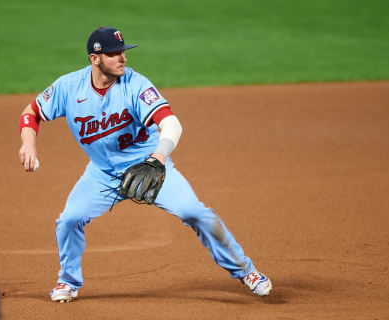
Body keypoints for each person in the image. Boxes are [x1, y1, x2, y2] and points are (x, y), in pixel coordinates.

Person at [18, 26, 272, 303]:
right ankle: (67, 281)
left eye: (123, 52)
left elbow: (171, 123)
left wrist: (158, 159)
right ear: (95, 58)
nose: (122, 58)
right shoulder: (68, 87)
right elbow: (31, 113)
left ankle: (247, 271)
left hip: (150, 167)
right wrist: (28, 143)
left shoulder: (136, 85)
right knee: (69, 220)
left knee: (194, 212)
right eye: (114, 54)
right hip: (102, 174)